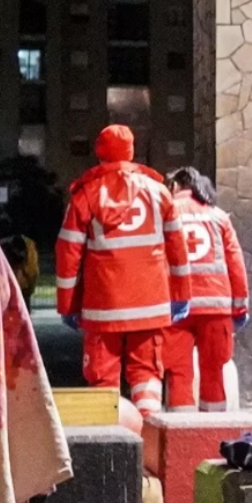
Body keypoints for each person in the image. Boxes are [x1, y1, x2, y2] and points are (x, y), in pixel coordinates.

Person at [56, 124, 193, 417]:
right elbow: (178, 249)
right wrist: (181, 295)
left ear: (99, 152)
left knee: (103, 378)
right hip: (150, 304)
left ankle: (111, 446)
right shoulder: (159, 193)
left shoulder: (85, 195)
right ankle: (148, 438)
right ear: (132, 151)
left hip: (102, 307)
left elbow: (68, 252)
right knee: (147, 376)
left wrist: (67, 303)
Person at [161, 167, 249, 412]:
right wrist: (240, 306)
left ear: (176, 187)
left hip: (177, 307)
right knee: (214, 372)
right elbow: (236, 264)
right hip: (216, 305)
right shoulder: (219, 216)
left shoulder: (165, 214)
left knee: (178, 372)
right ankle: (215, 431)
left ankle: (181, 432)